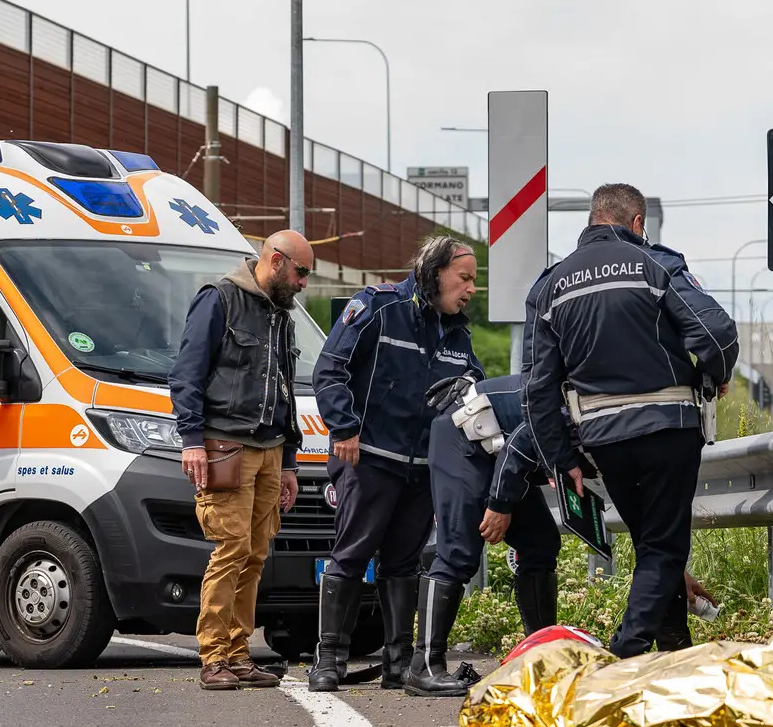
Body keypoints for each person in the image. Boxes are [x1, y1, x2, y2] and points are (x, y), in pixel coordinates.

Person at [524, 183, 738, 659]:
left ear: (592, 220)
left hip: (603, 438)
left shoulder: (550, 286)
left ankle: (672, 649)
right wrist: (712, 376)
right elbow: (718, 333)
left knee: (651, 546)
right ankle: (627, 649)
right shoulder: (655, 263)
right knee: (663, 548)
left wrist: (563, 458)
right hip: (668, 428)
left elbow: (537, 387)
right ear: (637, 223)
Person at [309, 235, 481, 692]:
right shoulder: (379, 306)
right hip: (368, 458)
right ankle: (328, 661)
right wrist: (344, 429)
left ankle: (398, 662)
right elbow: (330, 368)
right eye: (464, 279)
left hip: (424, 467)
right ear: (435, 271)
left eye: (474, 282)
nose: (470, 290)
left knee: (404, 563)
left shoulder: (458, 333)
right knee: (351, 554)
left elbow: (474, 394)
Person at [169, 230, 309, 689]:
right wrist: (192, 441)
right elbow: (187, 374)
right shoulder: (219, 299)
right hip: (227, 446)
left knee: (254, 554)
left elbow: (285, 389)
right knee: (230, 551)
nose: (304, 283)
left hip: (269, 451)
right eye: (301, 272)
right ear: (275, 260)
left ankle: (238, 652)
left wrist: (288, 460)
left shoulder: (281, 316)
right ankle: (214, 657)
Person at [404, 370, 562, 695]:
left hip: (503, 449)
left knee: (541, 543)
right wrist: (500, 504)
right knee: (459, 551)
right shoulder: (583, 403)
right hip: (463, 433)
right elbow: (522, 442)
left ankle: (540, 657)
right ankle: (424, 667)